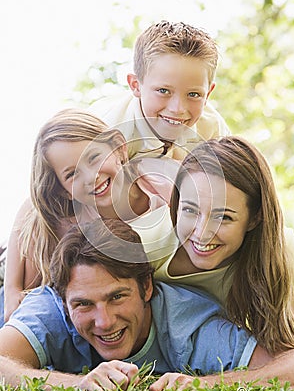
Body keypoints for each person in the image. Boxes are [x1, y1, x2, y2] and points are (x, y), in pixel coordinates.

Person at [1, 217, 294, 391]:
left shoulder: (188, 325)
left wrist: (206, 387)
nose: (104, 321)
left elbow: (292, 364)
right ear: (65, 302)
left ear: (146, 287)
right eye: (84, 305)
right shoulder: (50, 309)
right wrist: (74, 385)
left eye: (117, 296)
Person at [4, 109, 178, 323]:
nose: (91, 177)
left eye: (95, 158)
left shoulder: (161, 185)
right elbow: (31, 207)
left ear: (118, 148)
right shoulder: (67, 226)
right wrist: (13, 289)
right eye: (72, 174)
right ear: (64, 190)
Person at [154, 136, 294, 354]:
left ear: (254, 218)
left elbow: (282, 349)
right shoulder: (146, 244)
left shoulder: (282, 253)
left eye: (223, 217)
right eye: (190, 210)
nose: (202, 234)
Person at [90, 20, 230, 160]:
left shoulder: (213, 130)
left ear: (208, 94)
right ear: (136, 85)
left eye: (193, 94)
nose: (178, 109)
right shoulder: (105, 133)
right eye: (163, 91)